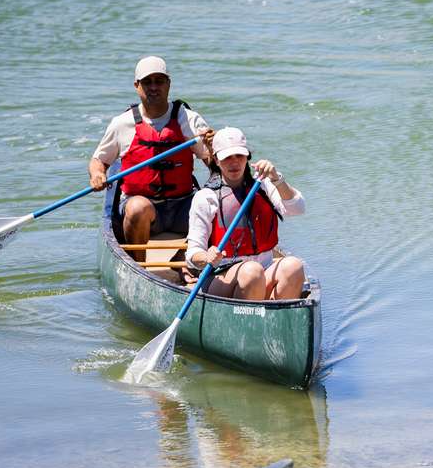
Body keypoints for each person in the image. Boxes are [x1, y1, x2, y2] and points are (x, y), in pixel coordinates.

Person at [88, 55, 215, 254]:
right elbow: (99, 161)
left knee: (213, 202)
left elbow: (213, 163)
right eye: (147, 82)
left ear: (168, 84)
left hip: (183, 205)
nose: (154, 87)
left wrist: (214, 150)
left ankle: (189, 262)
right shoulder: (122, 123)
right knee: (138, 207)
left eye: (159, 81)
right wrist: (97, 175)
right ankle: (139, 266)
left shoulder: (189, 119)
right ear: (137, 85)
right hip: (142, 208)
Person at [186, 127, 308, 300]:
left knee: (294, 266)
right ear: (216, 160)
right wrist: (206, 256)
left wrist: (276, 179)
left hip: (263, 271)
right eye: (227, 157)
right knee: (251, 271)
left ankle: (275, 316)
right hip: (222, 275)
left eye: (239, 156)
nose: (234, 162)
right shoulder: (206, 197)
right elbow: (192, 255)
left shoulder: (264, 186)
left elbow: (298, 208)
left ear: (247, 157)